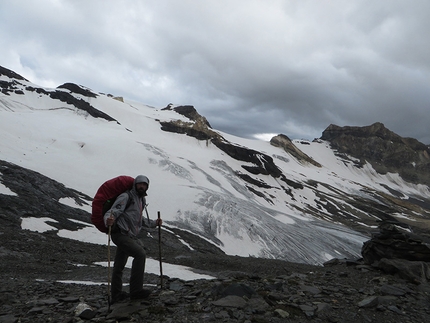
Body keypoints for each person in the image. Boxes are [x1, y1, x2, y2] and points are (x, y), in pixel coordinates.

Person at [104, 175, 162, 303]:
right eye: (140, 184)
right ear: (135, 184)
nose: (142, 186)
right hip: (120, 233)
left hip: (128, 234)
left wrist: (154, 223)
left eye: (144, 185)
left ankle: (116, 294)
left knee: (119, 265)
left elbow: (139, 220)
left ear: (147, 187)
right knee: (140, 254)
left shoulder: (141, 201)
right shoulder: (126, 196)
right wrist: (108, 220)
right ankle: (136, 291)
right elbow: (113, 211)